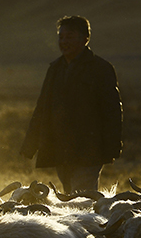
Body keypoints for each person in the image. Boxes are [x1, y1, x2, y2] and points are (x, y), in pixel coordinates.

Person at [20, 15, 123, 193]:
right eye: (61, 37)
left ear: (85, 39)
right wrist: (29, 146)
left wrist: (111, 148)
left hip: (89, 149)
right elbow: (42, 109)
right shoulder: (55, 69)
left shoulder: (100, 68)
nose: (64, 41)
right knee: (69, 196)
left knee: (81, 199)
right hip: (61, 149)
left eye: (69, 37)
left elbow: (112, 111)